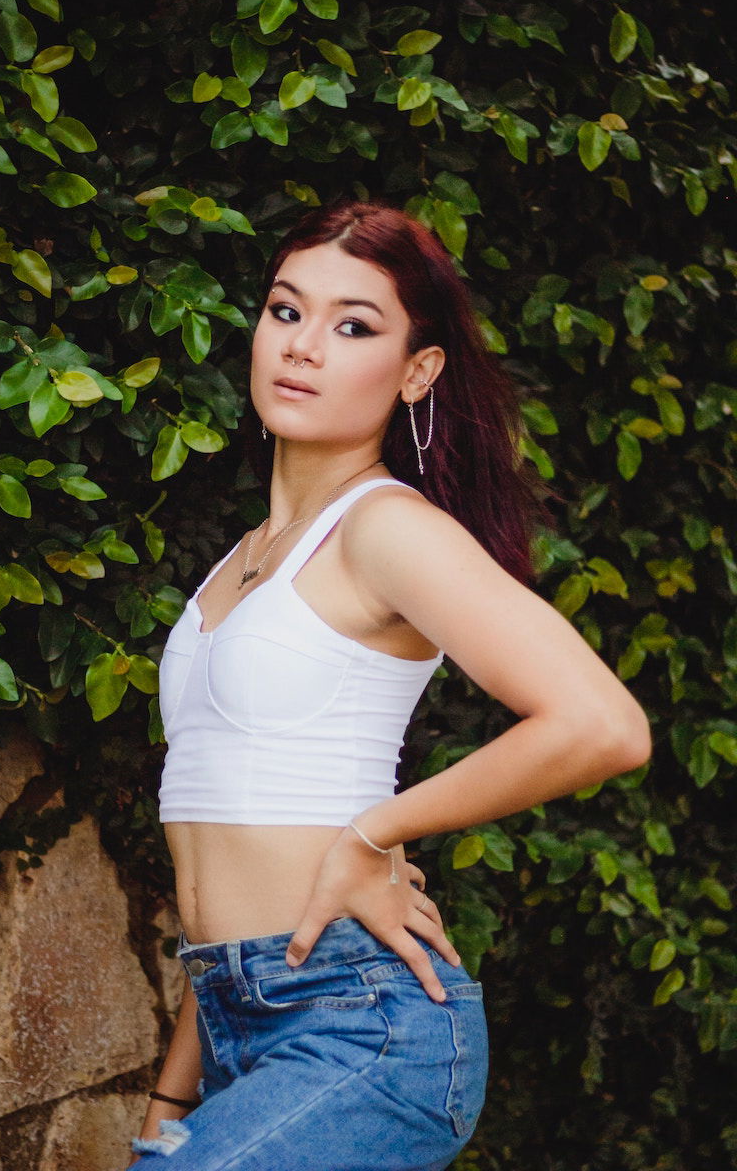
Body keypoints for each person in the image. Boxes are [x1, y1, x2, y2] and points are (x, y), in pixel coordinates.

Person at [128, 201, 651, 1170]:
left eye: (352, 326)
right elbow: (228, 831)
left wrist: (375, 834)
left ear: (417, 373)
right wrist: (170, 1093)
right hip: (240, 1023)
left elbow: (601, 725)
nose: (303, 347)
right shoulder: (238, 563)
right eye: (286, 311)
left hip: (366, 1030)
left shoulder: (384, 529)